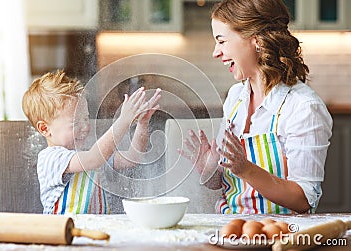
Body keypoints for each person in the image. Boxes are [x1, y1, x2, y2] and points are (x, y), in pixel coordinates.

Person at [179, 0, 332, 214]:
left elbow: (303, 199)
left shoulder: (303, 107)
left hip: (279, 237)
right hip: (230, 231)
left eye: (222, 41)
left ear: (256, 40)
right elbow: (230, 184)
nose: (216, 52)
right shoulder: (236, 97)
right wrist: (209, 170)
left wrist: (246, 169)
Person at [22, 70, 161, 214]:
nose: (85, 127)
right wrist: (123, 121)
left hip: (96, 231)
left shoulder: (89, 154)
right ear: (45, 128)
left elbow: (133, 158)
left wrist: (143, 123)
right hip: (65, 232)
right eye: (75, 123)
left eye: (86, 118)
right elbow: (94, 159)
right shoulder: (51, 158)